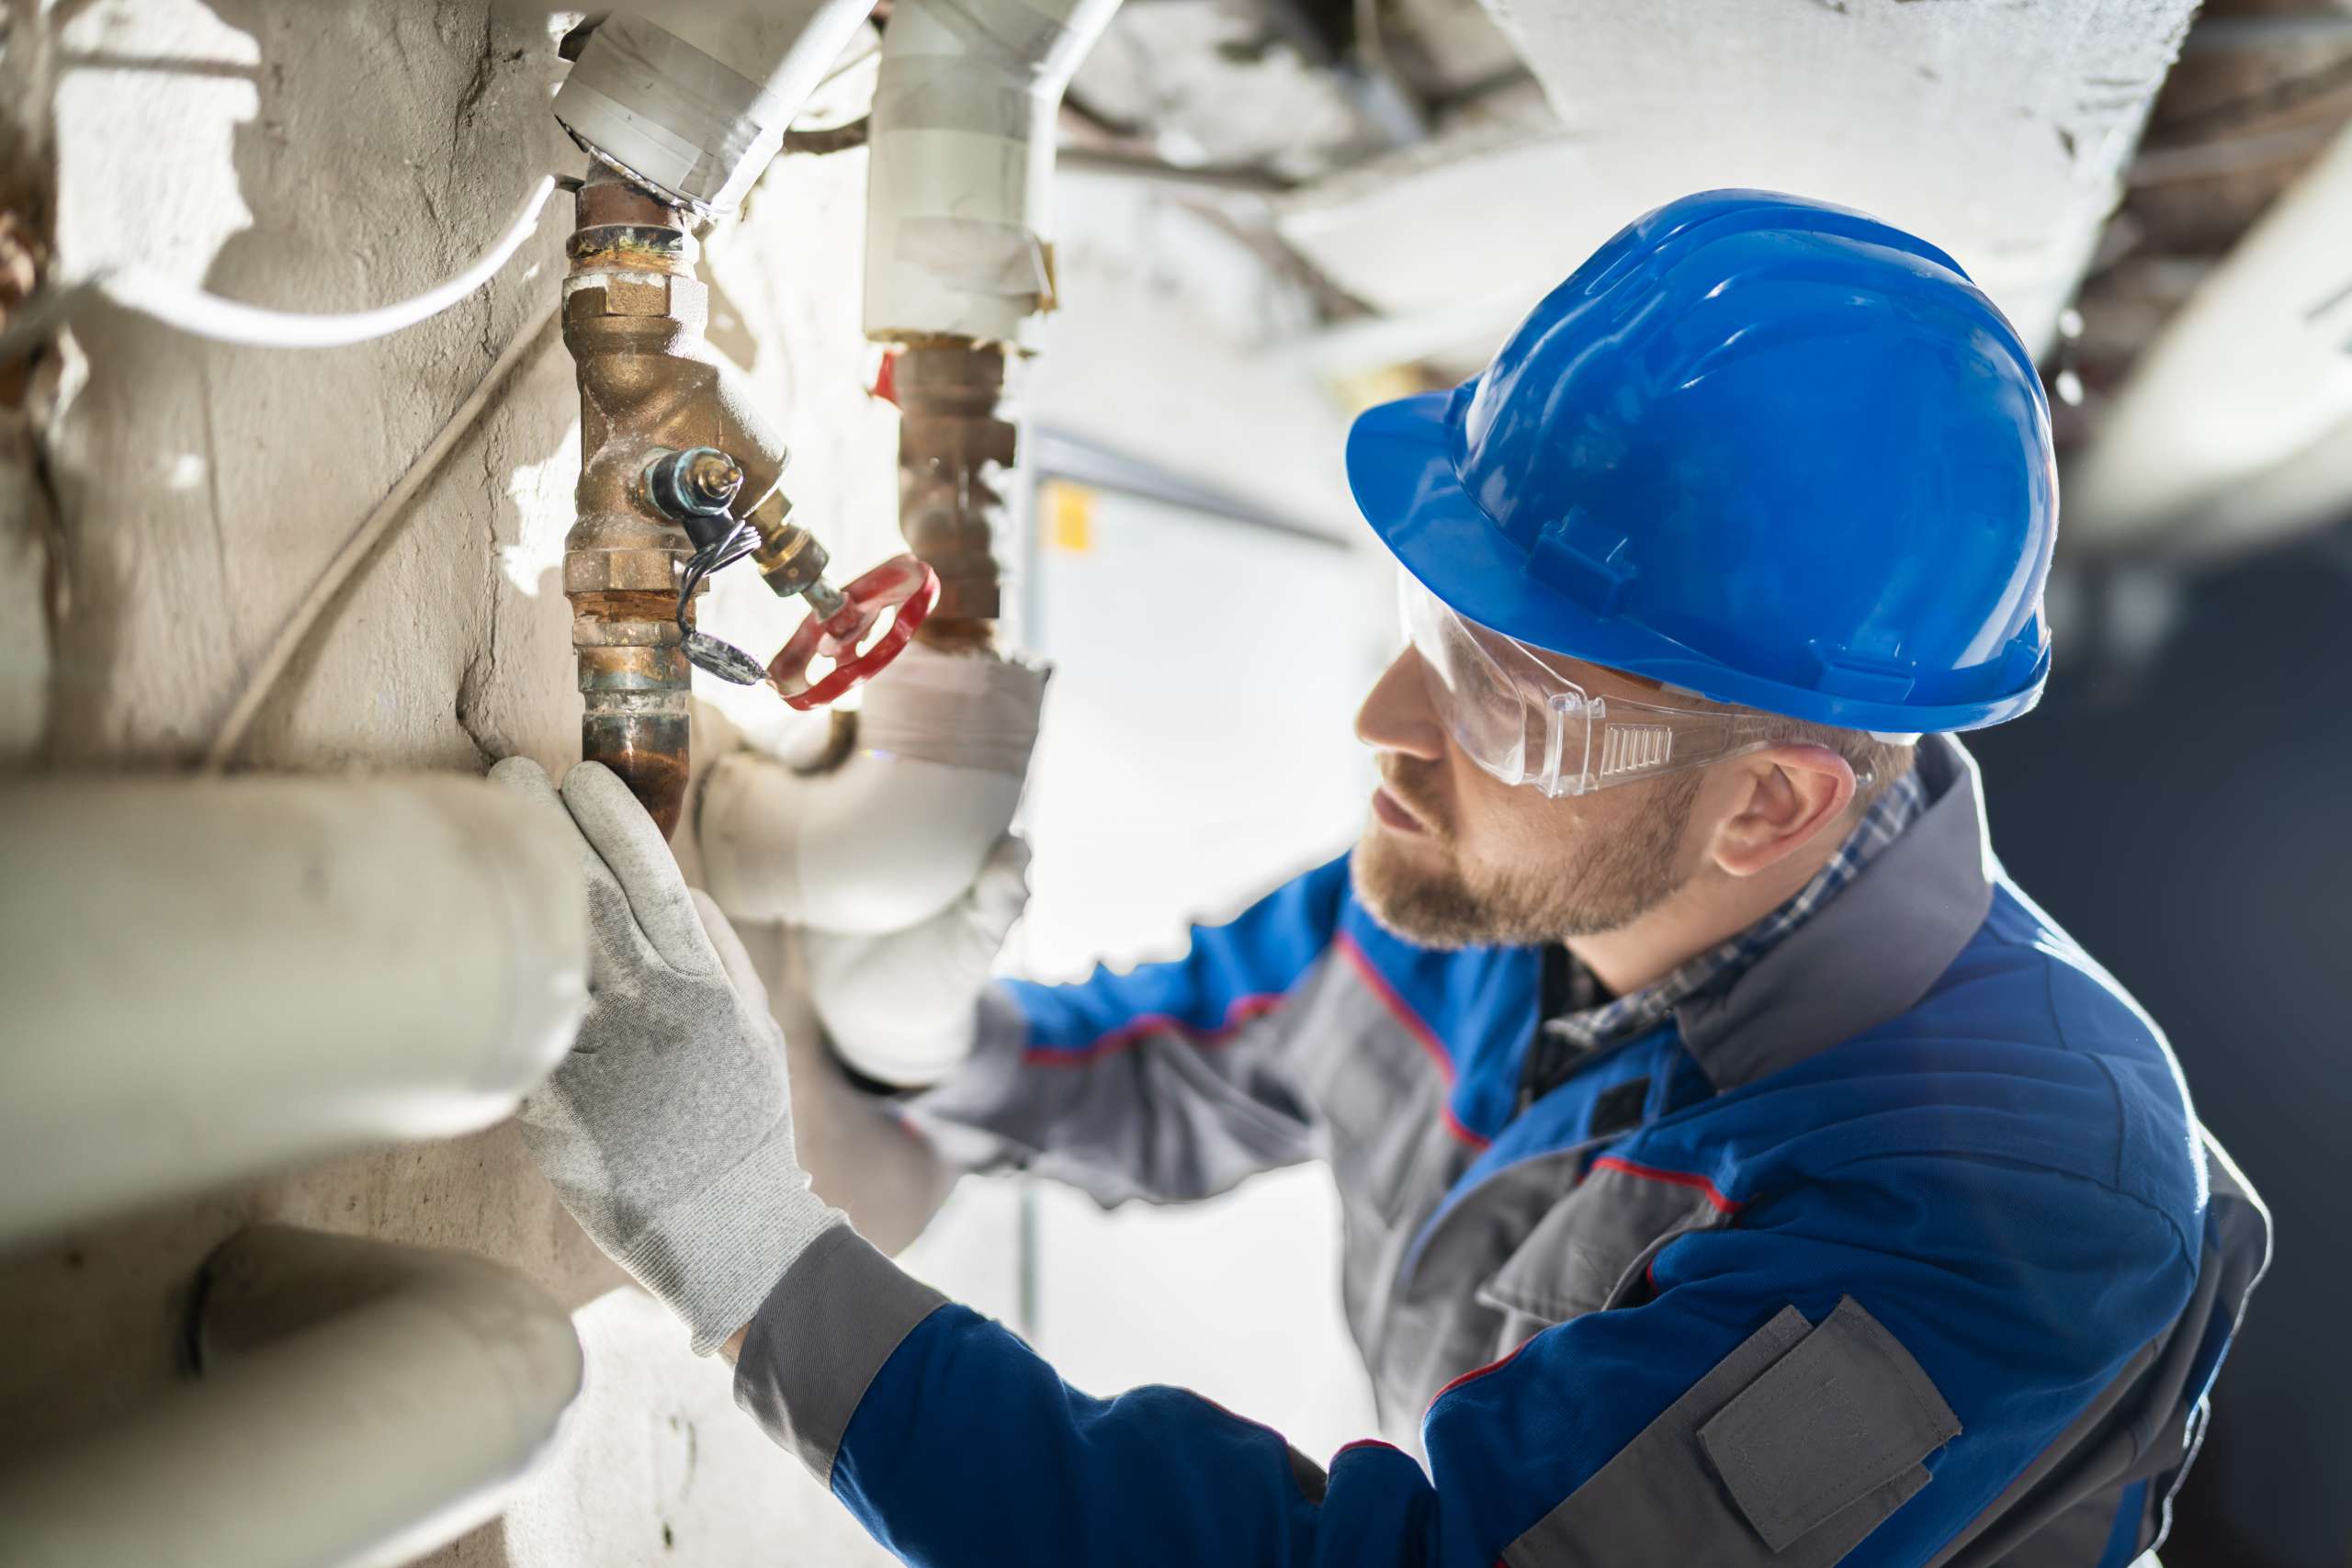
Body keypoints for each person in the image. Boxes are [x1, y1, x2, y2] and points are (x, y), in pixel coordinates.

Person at [492, 190, 2268, 1567]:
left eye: (1508, 692)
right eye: (1434, 621)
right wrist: (914, 1030)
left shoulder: (2017, 1202)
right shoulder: (1491, 902)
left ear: (1771, 805)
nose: (1386, 718)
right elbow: (1175, 1061)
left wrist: (747, 1249)